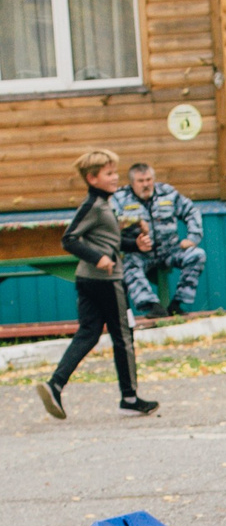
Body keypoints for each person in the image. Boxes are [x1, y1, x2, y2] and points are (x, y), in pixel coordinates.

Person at [39, 148, 156, 419]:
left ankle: (55, 385)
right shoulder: (93, 205)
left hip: (90, 279)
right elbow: (69, 239)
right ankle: (130, 397)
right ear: (92, 178)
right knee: (123, 336)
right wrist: (98, 258)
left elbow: (108, 241)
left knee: (89, 333)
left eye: (115, 172)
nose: (115, 177)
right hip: (107, 281)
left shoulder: (104, 204)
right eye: (109, 173)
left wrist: (135, 245)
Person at [109, 161, 204, 318]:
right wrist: (135, 222)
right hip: (139, 253)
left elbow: (191, 211)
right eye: (141, 181)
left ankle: (177, 304)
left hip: (170, 250)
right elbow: (112, 222)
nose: (146, 184)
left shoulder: (167, 193)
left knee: (197, 255)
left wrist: (193, 237)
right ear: (132, 183)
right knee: (127, 265)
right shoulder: (120, 197)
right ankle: (153, 306)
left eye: (148, 180)